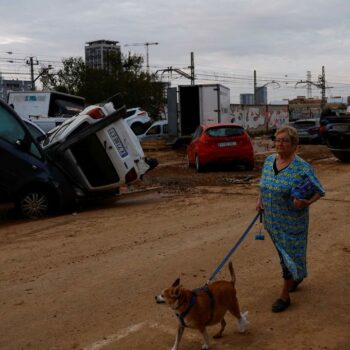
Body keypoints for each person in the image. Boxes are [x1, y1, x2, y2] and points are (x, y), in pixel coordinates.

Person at [256, 125, 325, 313]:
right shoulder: (269, 160)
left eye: (284, 141)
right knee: (283, 255)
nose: (279, 144)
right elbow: (264, 185)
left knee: (288, 257)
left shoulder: (301, 167)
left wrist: (306, 203)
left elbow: (320, 190)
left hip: (292, 223)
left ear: (295, 145)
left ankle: (284, 296)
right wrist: (260, 201)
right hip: (272, 221)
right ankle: (295, 277)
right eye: (277, 140)